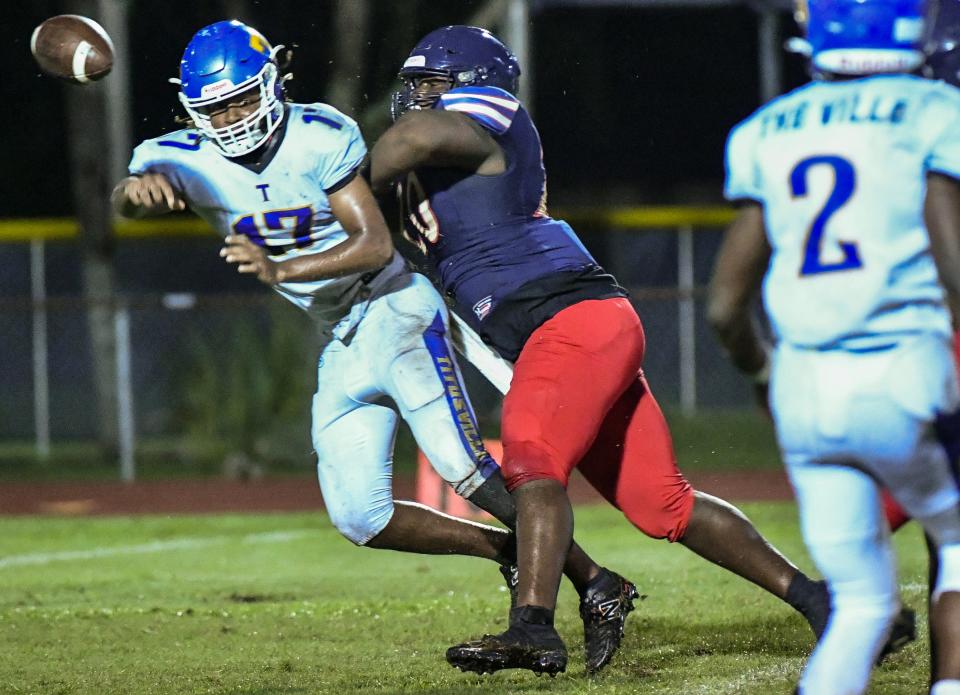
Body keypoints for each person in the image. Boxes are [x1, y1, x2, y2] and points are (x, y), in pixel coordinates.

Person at [109, 19, 640, 674]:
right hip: (341, 336)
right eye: (219, 107)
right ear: (195, 110)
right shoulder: (179, 155)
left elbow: (374, 244)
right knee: (360, 516)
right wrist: (136, 192)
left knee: (461, 463)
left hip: (392, 306)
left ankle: (594, 584)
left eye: (245, 98)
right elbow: (129, 197)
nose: (236, 117)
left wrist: (281, 270)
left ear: (273, 82)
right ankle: (509, 552)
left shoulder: (321, 133)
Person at [370, 25, 835, 677]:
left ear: (472, 88)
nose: (416, 100)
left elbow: (414, 137)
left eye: (431, 86)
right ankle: (821, 602)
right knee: (663, 504)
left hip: (570, 317)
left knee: (530, 453)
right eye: (414, 86)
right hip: (575, 326)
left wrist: (353, 179)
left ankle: (532, 626)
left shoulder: (488, 116)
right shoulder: (424, 174)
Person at [707, 0, 960, 691]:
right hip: (902, 368)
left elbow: (726, 304)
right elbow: (954, 261)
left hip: (806, 389)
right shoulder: (934, 109)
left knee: (862, 605)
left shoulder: (766, 129)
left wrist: (764, 376)